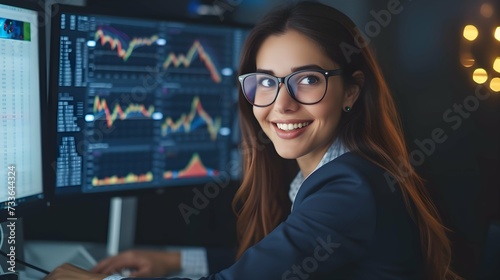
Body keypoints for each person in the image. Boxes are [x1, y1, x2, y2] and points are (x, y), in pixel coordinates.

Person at [45, 1, 462, 279]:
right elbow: (276, 261)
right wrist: (173, 261)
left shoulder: (348, 188)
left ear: (351, 91)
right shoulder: (338, 170)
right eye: (265, 83)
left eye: (308, 80)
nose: (281, 105)